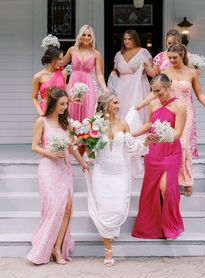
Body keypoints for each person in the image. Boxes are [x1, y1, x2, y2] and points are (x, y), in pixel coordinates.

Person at [27, 87, 88, 265]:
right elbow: (34, 146)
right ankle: (45, 245)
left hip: (65, 168)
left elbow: (71, 147)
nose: (64, 107)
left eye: (66, 104)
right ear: (53, 103)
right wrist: (51, 154)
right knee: (55, 208)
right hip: (48, 168)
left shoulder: (66, 122)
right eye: (61, 104)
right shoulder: (42, 121)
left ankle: (57, 248)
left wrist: (82, 162)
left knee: (68, 208)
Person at [85, 92, 147, 267]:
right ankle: (108, 250)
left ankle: (110, 230)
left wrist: (146, 142)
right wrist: (86, 146)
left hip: (120, 172)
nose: (118, 106)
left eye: (119, 102)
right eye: (115, 103)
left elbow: (132, 148)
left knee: (118, 209)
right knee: (104, 209)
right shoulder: (94, 125)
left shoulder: (124, 124)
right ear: (105, 105)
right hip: (101, 172)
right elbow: (89, 152)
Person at [132, 74, 187, 240]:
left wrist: (164, 136)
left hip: (171, 152)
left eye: (159, 91)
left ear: (168, 86)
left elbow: (178, 133)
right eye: (153, 91)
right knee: (151, 189)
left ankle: (171, 226)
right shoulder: (154, 103)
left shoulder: (179, 106)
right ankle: (153, 227)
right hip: (154, 152)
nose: (156, 95)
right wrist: (132, 133)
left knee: (167, 189)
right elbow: (150, 124)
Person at [163, 44, 205, 196]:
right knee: (171, 146)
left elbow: (200, 94)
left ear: (182, 56)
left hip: (187, 112)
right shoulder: (165, 72)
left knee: (183, 145)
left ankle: (187, 180)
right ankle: (171, 178)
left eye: (175, 57)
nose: (172, 60)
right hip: (171, 111)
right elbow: (158, 93)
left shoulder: (192, 72)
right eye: (170, 57)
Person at [137, 29, 199, 159]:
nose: (171, 45)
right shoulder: (160, 57)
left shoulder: (188, 57)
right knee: (167, 131)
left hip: (183, 96)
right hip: (166, 96)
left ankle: (184, 160)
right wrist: (146, 67)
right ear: (166, 42)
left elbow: (193, 74)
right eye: (169, 42)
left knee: (183, 134)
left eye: (174, 43)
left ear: (179, 43)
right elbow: (155, 75)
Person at [108, 29, 157, 123]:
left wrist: (146, 66)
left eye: (129, 39)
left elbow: (153, 74)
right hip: (122, 87)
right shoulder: (118, 54)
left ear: (135, 40)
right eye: (125, 39)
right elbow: (115, 69)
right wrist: (113, 72)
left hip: (139, 86)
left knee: (136, 109)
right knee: (121, 109)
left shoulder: (143, 52)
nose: (126, 41)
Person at [63, 24, 109, 121]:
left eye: (89, 35)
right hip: (73, 84)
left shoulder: (96, 53)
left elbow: (99, 74)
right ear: (80, 36)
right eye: (84, 35)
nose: (86, 37)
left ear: (92, 38)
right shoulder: (72, 50)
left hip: (88, 87)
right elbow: (60, 63)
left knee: (88, 115)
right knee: (71, 114)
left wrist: (106, 90)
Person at [32, 47, 67, 116]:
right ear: (52, 59)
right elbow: (34, 97)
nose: (62, 62)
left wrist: (72, 98)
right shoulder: (38, 77)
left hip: (61, 110)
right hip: (45, 110)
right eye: (60, 59)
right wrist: (40, 111)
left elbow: (65, 94)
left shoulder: (63, 73)